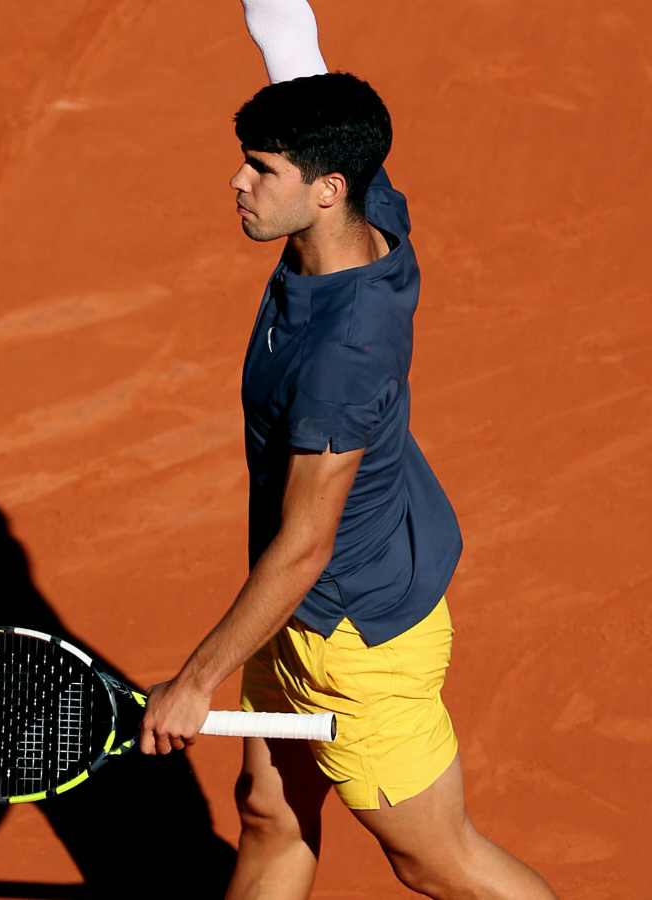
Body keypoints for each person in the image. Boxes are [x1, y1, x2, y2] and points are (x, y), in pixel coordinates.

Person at [136, 3, 555, 897]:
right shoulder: (365, 207)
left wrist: (194, 680)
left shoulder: (342, 355)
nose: (240, 182)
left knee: (438, 862)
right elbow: (295, 47)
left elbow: (306, 545)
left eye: (262, 168)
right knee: (270, 814)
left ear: (324, 187)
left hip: (354, 639)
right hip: (300, 614)